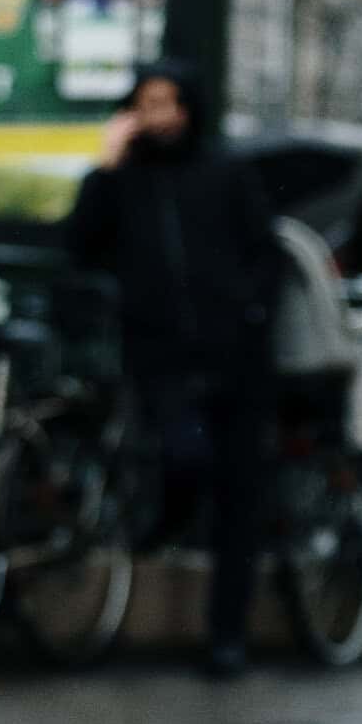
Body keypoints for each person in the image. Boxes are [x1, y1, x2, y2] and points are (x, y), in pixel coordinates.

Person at [66, 60, 282, 679]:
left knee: (239, 503)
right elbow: (80, 244)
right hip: (161, 359)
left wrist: (248, 313)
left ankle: (227, 637)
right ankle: (164, 524)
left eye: (169, 102)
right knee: (184, 457)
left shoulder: (226, 172)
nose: (159, 116)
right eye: (146, 104)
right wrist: (105, 165)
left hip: (238, 361)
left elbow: (264, 253)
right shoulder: (125, 181)